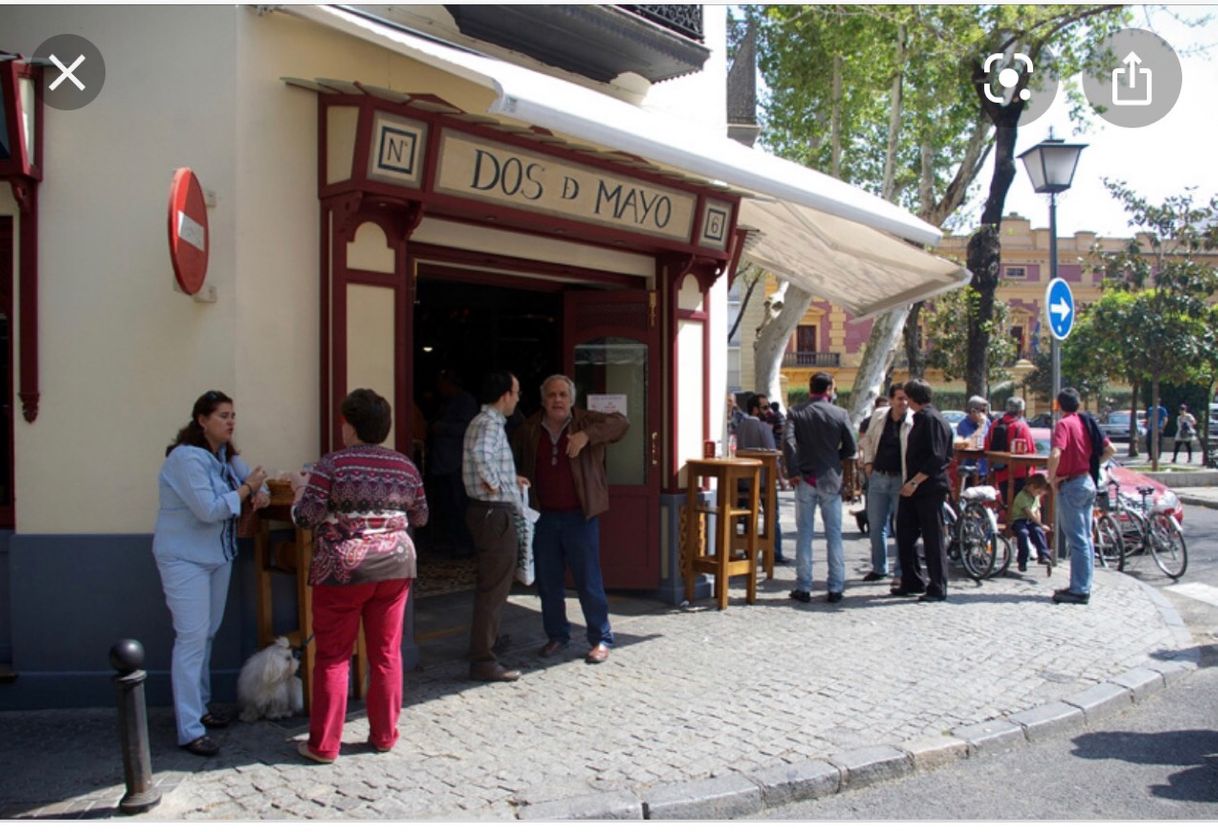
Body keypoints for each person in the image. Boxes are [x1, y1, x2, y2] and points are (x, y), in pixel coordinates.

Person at [290, 389, 429, 763]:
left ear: (348, 426)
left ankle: (324, 745)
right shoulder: (405, 466)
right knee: (386, 653)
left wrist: (301, 490)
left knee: (334, 656)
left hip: (343, 570)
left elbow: (306, 517)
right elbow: (421, 517)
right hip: (396, 566)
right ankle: (384, 735)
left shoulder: (331, 465)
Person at [153, 390, 269, 757]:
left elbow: (255, 481)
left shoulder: (225, 457)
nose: (230, 422)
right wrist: (248, 488)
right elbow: (208, 509)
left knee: (206, 635)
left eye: (233, 415)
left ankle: (200, 709)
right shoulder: (187, 459)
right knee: (190, 638)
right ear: (201, 420)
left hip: (218, 556)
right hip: (184, 559)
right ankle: (189, 728)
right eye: (222, 415)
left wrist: (259, 490)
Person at [513, 375, 628, 663]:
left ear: (572, 398)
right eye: (551, 395)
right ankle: (557, 636)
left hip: (580, 515)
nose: (558, 400)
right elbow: (515, 459)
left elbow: (621, 423)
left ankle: (600, 638)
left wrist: (587, 436)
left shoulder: (586, 421)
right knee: (549, 582)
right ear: (543, 399)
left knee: (588, 579)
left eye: (563, 394)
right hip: (544, 517)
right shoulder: (529, 428)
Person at [463, 370, 530, 682]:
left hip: (490, 510)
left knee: (493, 583)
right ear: (505, 394)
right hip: (493, 512)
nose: (517, 398)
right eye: (516, 392)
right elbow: (480, 455)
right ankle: (483, 659)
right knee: (494, 587)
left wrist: (507, 479)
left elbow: (485, 457)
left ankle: (484, 646)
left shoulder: (487, 423)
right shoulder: (488, 423)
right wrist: (493, 484)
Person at [782, 372, 856, 603]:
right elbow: (851, 447)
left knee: (804, 533)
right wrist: (835, 458)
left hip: (805, 477)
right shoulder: (840, 413)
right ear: (829, 389)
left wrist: (793, 471)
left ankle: (803, 586)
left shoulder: (796, 412)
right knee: (834, 534)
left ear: (809, 387)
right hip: (831, 478)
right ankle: (835, 587)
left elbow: (788, 442)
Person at [1048, 387, 1115, 605]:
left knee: (1077, 540)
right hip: (1087, 480)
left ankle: (1079, 590)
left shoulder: (1064, 424)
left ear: (1059, 405)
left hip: (1072, 484)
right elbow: (1110, 449)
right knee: (1085, 538)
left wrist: (1052, 478)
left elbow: (1056, 452)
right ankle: (1081, 584)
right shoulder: (1086, 422)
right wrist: (1092, 465)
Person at [892, 379, 954, 603]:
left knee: (932, 537)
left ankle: (937, 586)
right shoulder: (922, 418)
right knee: (905, 532)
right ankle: (912, 580)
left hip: (928, 486)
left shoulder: (931, 419)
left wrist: (915, 482)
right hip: (916, 486)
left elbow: (937, 457)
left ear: (911, 397)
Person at [858, 384, 912, 584]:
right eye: (899, 398)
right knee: (876, 525)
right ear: (891, 400)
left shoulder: (912, 420)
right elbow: (868, 440)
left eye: (906, 399)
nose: (903, 403)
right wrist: (869, 463)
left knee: (902, 527)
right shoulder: (880, 416)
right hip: (879, 476)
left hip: (901, 478)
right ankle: (879, 567)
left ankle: (900, 571)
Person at [427, 369, 478, 556]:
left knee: (459, 505)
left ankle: (464, 544)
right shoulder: (445, 403)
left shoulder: (466, 402)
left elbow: (468, 428)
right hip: (443, 463)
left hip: (457, 462)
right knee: (447, 504)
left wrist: (442, 428)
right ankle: (452, 542)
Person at [732, 394, 788, 564]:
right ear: (755, 409)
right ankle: (774, 552)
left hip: (742, 481)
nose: (769, 411)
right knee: (773, 515)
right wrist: (781, 479)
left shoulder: (739, 428)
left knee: (750, 516)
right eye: (765, 407)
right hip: (765, 481)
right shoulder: (763, 428)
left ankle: (750, 551)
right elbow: (773, 456)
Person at [985, 396, 1037, 500]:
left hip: (999, 473)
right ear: (1021, 411)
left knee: (1005, 505)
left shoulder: (995, 424)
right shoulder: (1021, 426)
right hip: (1020, 475)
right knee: (1018, 509)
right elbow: (1031, 451)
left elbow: (987, 446)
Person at [1009, 473, 1052, 573]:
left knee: (1038, 531)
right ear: (1032, 487)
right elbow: (1029, 513)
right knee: (1023, 533)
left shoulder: (1035, 497)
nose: (1039, 494)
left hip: (1031, 521)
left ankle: (1043, 555)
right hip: (1020, 520)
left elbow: (1037, 510)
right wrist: (1041, 525)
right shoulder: (1022, 496)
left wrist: (1039, 525)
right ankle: (1022, 560)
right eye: (1038, 492)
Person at [956, 395, 990, 481]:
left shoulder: (987, 422)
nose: (985, 414)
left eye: (986, 410)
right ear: (973, 411)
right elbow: (970, 443)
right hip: (969, 469)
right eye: (982, 410)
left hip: (985, 468)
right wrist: (981, 427)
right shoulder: (963, 424)